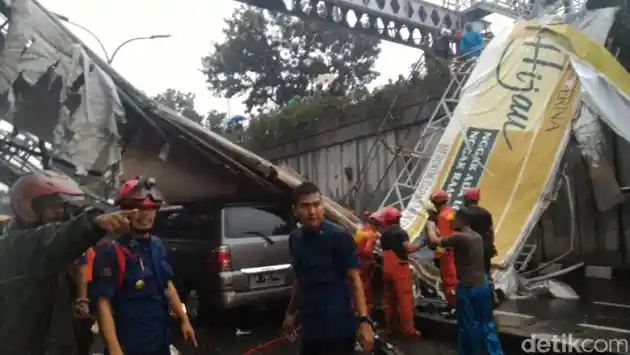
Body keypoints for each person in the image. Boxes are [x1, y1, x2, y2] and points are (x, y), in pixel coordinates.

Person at [0, 170, 137, 355]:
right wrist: (94, 223)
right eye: (53, 207)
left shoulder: (51, 253)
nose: (60, 212)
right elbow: (53, 239)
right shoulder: (13, 246)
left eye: (62, 206)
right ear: (28, 207)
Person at [90, 177, 197, 355]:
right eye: (138, 209)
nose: (146, 215)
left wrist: (184, 320)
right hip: (131, 345)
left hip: (160, 340)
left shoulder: (156, 245)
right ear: (124, 211)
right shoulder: (112, 250)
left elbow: (168, 284)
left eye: (151, 209)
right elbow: (103, 303)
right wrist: (115, 349)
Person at [283, 182, 374, 355]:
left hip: (337, 329)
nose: (312, 212)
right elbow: (300, 279)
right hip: (310, 328)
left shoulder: (339, 237)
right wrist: (290, 313)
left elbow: (355, 280)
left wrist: (364, 321)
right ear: (295, 211)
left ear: (323, 206)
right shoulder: (295, 239)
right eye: (305, 206)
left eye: (317, 204)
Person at [425, 207, 504, 355]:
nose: (452, 221)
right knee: (487, 324)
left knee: (467, 325)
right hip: (482, 285)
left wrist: (430, 225)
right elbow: (445, 239)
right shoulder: (476, 236)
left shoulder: (460, 237)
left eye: (455, 219)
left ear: (462, 220)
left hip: (468, 288)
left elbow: (434, 241)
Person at [379, 206, 423, 338]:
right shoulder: (400, 233)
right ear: (398, 219)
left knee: (389, 299)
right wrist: (423, 243)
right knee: (405, 300)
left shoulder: (384, 234)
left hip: (386, 268)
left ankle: (391, 328)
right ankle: (408, 330)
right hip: (400, 269)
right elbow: (409, 249)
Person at [430, 189, 457, 315]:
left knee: (449, 280)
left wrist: (438, 255)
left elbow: (444, 240)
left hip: (447, 253)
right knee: (453, 279)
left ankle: (454, 307)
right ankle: (453, 305)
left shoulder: (443, 216)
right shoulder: (452, 212)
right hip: (455, 251)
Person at [353, 211, 381, 316]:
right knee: (365, 290)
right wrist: (372, 259)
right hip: (364, 264)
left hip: (355, 261)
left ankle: (354, 312)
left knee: (355, 288)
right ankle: (365, 316)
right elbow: (367, 250)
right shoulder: (372, 234)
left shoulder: (360, 231)